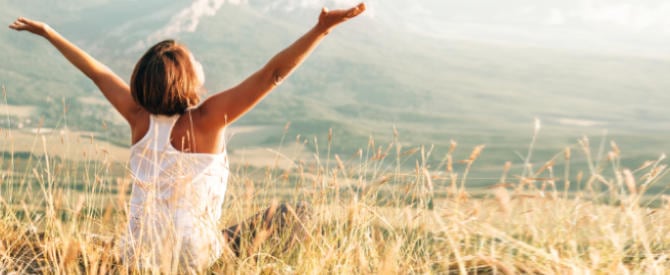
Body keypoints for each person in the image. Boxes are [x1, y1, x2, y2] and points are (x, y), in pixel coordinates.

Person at [9, 2, 365, 272]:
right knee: (297, 214)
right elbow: (272, 75)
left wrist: (49, 33)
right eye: (194, 62)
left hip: (136, 253)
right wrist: (320, 31)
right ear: (185, 80)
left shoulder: (137, 117)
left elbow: (97, 74)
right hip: (192, 256)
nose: (200, 65)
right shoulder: (208, 120)